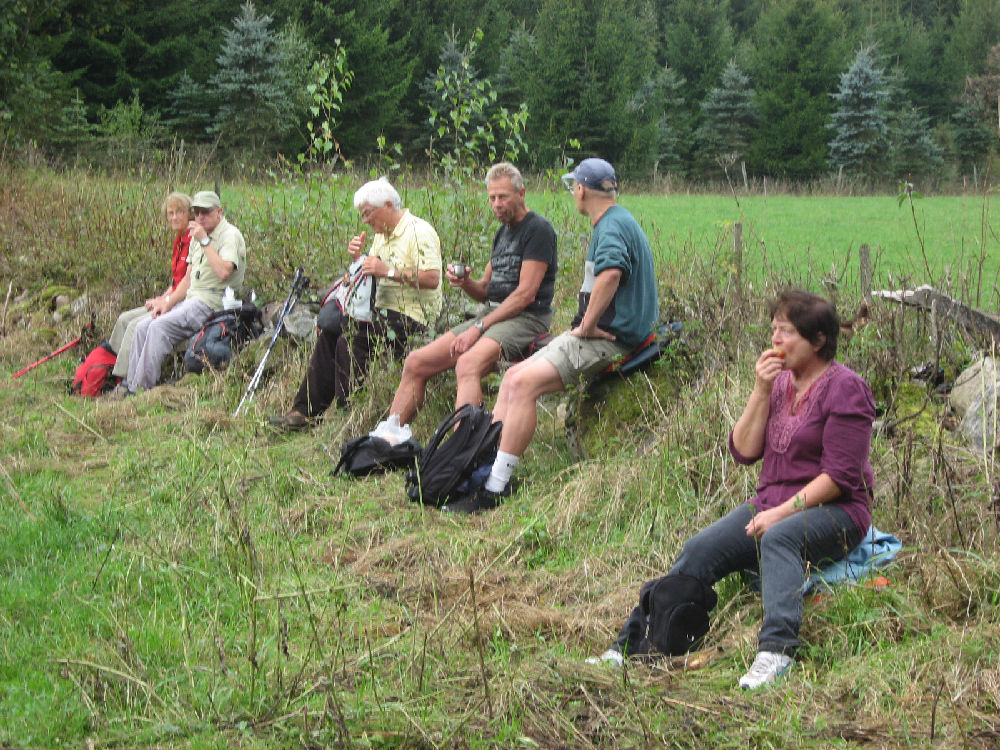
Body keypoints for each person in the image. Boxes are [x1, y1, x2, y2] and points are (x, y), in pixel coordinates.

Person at [589, 290, 875, 691]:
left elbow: (840, 478)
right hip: (770, 501)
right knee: (698, 549)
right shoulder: (779, 385)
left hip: (838, 511)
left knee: (779, 539)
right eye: (773, 329)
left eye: (787, 331)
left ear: (818, 340)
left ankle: (776, 650)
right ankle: (633, 644)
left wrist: (780, 514)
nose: (775, 340)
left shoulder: (847, 389)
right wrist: (759, 391)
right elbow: (743, 450)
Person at [443, 158, 658, 513]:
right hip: (598, 334)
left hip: (611, 339)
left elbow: (611, 274)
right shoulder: (616, 220)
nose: (573, 192)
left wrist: (587, 326)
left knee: (524, 385)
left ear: (582, 189)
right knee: (512, 376)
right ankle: (483, 463)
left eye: (574, 186)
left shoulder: (611, 226)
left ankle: (497, 486)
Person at [383, 162, 557, 430]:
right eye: (492, 197)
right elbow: (485, 290)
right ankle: (389, 436)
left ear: (521, 194)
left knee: (468, 363)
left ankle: (465, 451)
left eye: (503, 197)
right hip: (495, 314)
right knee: (416, 362)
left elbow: (525, 295)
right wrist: (464, 283)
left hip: (527, 318)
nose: (496, 204)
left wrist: (479, 327)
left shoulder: (539, 230)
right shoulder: (503, 232)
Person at [269, 178, 442, 429]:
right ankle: (304, 412)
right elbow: (370, 276)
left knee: (351, 335)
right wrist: (359, 259)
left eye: (368, 214)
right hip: (381, 311)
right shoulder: (382, 236)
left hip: (414, 315)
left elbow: (432, 278)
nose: (366, 221)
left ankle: (347, 415)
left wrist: (388, 271)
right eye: (362, 216)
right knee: (331, 330)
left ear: (388, 205)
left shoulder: (419, 231)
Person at [116, 190, 247, 395]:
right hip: (191, 299)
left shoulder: (229, 235)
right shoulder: (199, 234)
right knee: (142, 327)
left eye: (206, 212)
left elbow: (223, 271)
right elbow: (187, 279)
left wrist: (205, 242)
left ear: (219, 211)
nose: (201, 217)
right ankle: (128, 385)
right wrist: (166, 303)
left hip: (213, 303)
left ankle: (140, 390)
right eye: (197, 212)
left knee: (158, 328)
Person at [106, 192, 193, 382]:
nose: (175, 217)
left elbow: (188, 284)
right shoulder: (178, 241)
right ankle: (107, 365)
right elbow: (176, 281)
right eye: (170, 213)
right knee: (123, 319)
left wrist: (167, 302)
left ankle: (123, 379)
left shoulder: (193, 240)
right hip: (173, 297)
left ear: (189, 214)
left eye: (180, 212)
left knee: (135, 327)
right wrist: (161, 298)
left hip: (184, 303)